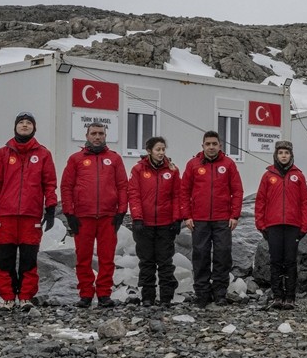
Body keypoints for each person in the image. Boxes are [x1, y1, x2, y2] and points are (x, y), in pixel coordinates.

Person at [0, 112, 57, 312]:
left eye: (28, 123)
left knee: (28, 259)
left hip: (30, 216)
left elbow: (49, 183)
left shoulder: (43, 154)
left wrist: (51, 207)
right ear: (15, 127)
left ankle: (25, 297)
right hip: (5, 216)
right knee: (5, 258)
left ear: (34, 128)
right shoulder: (3, 153)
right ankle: (7, 297)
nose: (24, 126)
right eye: (21, 123)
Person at [60, 123, 129, 308]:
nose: (97, 137)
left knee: (107, 258)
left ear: (105, 135)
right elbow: (66, 187)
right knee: (83, 258)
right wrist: (69, 213)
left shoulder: (114, 159)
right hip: (83, 217)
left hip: (108, 217)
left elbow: (123, 186)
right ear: (87, 135)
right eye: (94, 133)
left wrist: (121, 211)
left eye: (100, 133)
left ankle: (104, 294)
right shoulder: (76, 159)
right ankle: (86, 295)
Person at [181, 130, 244, 308]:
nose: (211, 147)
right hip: (199, 220)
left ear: (220, 146)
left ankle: (220, 293)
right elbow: (184, 191)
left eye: (214, 144)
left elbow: (237, 191)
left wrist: (234, 215)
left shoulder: (229, 164)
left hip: (222, 219)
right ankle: (202, 293)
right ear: (202, 146)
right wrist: (187, 215)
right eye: (208, 144)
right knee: (200, 256)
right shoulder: (193, 164)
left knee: (222, 255)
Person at [254, 140, 307, 309]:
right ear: (276, 155)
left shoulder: (298, 176)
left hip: (293, 226)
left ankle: (290, 297)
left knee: (290, 261)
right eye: (280, 153)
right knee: (276, 260)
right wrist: (261, 224)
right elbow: (260, 201)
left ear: (291, 155)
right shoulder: (268, 176)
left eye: (286, 153)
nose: (283, 156)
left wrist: (304, 226)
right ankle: (277, 296)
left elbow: (305, 202)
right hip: (273, 225)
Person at [129, 136, 181, 308]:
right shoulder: (138, 170)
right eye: (158, 149)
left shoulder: (172, 170)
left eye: (163, 149)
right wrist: (137, 218)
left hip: (166, 224)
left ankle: (166, 297)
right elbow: (134, 194)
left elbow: (176, 196)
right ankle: (148, 297)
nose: (161, 153)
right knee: (147, 262)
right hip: (144, 225)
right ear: (149, 151)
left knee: (165, 261)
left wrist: (176, 218)